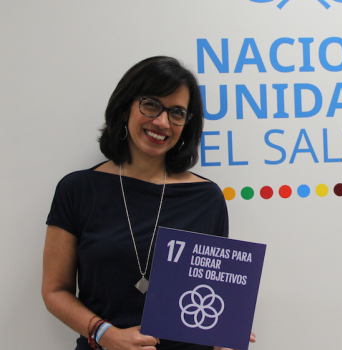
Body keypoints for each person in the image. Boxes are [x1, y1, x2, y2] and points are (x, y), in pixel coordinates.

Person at [42, 56, 256, 350]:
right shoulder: (77, 189)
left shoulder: (207, 198)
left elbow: (212, 290)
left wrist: (225, 333)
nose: (162, 122)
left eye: (177, 113)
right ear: (126, 105)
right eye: (151, 104)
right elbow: (55, 290)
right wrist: (106, 334)